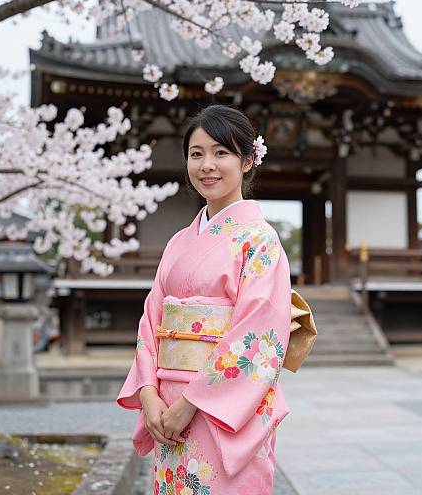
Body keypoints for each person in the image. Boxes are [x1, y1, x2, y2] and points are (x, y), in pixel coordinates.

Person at [116, 104, 293, 494]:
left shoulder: (260, 241)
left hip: (221, 408)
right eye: (197, 154)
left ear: (247, 162)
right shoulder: (179, 241)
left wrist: (190, 404)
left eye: (221, 153)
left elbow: (259, 333)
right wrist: (149, 396)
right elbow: (152, 321)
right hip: (166, 405)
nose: (207, 165)